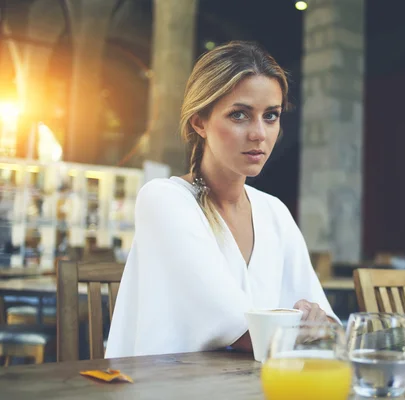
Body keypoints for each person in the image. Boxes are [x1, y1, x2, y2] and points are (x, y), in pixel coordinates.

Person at [105, 41, 339, 358]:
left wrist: (313, 323)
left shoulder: (273, 212)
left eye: (271, 116)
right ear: (199, 122)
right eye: (239, 115)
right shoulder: (164, 200)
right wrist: (303, 327)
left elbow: (328, 327)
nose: (259, 134)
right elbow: (241, 332)